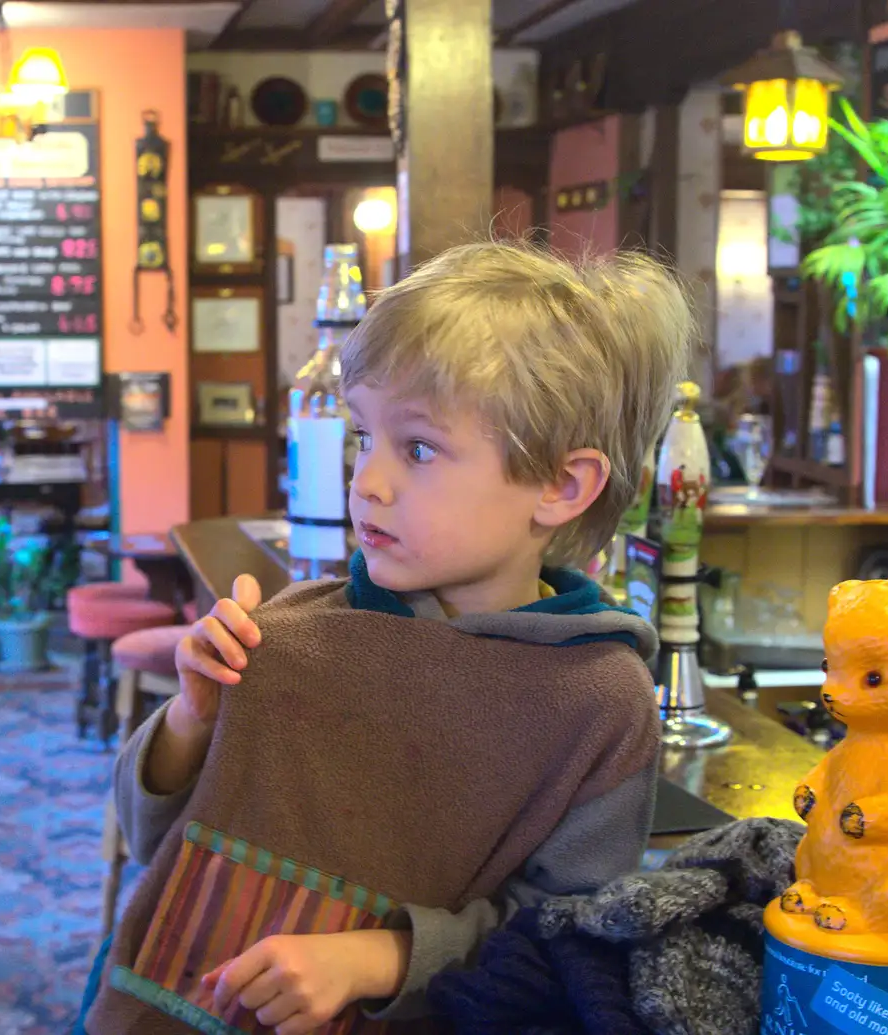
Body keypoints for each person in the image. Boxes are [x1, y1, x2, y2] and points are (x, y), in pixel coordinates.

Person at [79, 240, 696, 1035]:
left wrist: (384, 955)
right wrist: (191, 723)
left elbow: (572, 932)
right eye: (364, 436)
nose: (366, 479)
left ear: (560, 485)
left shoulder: (596, 702)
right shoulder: (297, 631)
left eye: (420, 447)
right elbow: (153, 839)